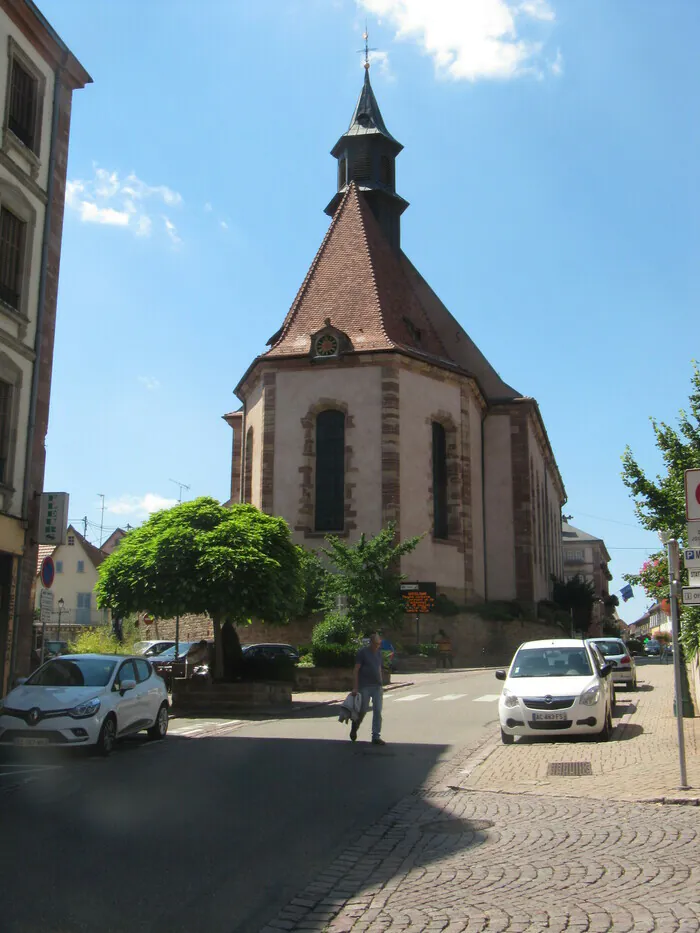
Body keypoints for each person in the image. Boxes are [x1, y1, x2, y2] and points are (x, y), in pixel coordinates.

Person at [351, 633, 386, 745]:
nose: (377, 646)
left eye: (378, 644)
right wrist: (355, 687)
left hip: (377, 686)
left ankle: (376, 736)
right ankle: (355, 726)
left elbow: (379, 668)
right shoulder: (363, 653)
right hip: (365, 686)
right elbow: (356, 670)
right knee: (363, 710)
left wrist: (381, 684)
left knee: (377, 711)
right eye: (375, 644)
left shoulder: (379, 653)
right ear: (371, 643)